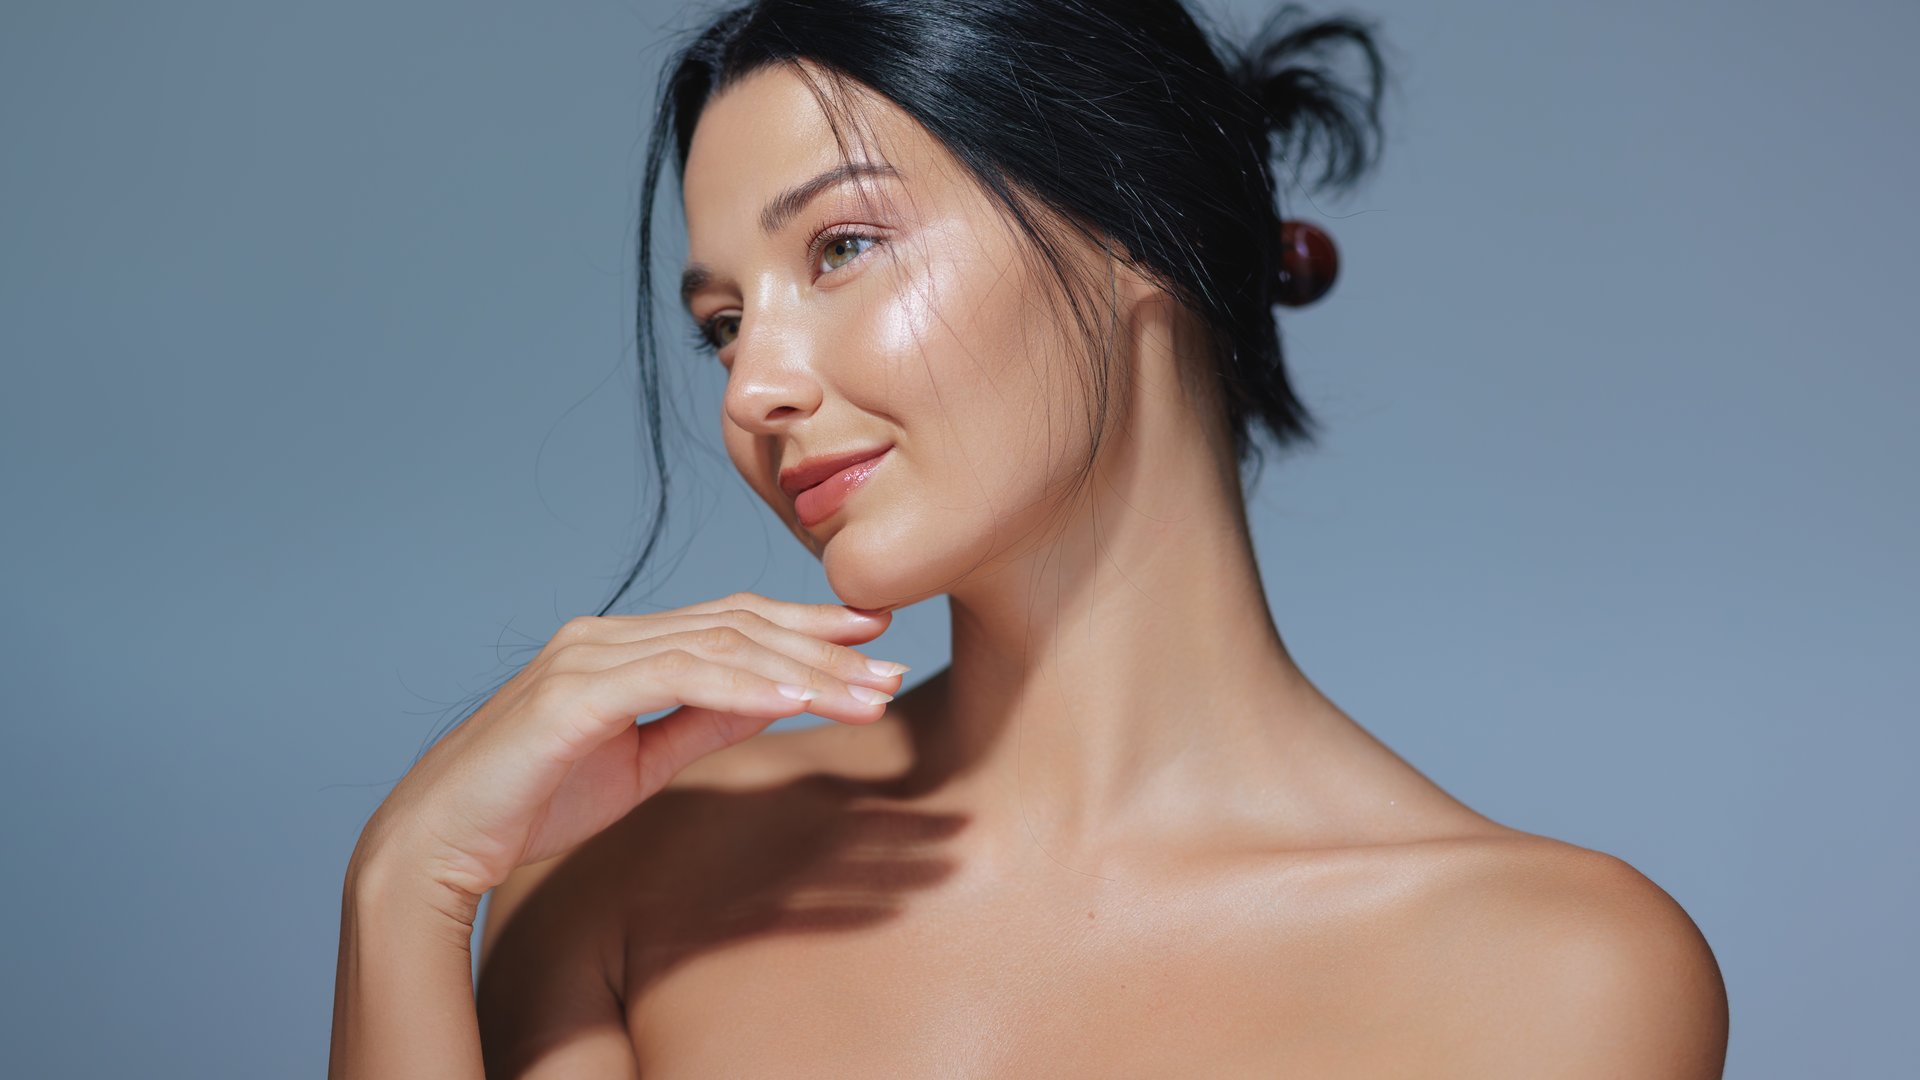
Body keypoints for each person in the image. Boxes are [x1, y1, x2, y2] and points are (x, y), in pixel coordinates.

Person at [329, 1, 1730, 1076]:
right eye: (722, 323)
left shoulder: (1552, 977)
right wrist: (407, 885)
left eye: (840, 250)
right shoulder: (628, 885)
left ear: (1131, 225)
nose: (753, 388)